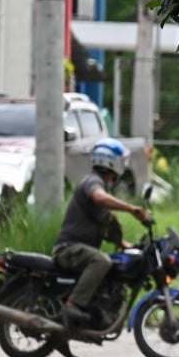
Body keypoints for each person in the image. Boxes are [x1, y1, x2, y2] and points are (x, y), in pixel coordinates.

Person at [52, 138, 149, 323]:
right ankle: (73, 305)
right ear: (111, 161)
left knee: (110, 264)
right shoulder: (93, 182)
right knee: (101, 260)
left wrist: (124, 245)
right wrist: (131, 208)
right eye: (121, 160)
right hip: (68, 249)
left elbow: (106, 225)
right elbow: (100, 198)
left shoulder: (101, 185)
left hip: (77, 250)